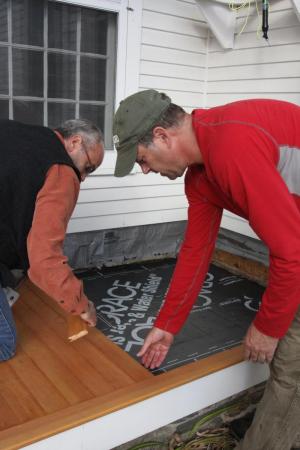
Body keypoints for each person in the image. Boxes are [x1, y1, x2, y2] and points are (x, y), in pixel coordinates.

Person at [112, 89, 300, 450]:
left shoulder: (232, 146)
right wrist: (167, 325)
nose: (146, 170)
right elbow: (196, 252)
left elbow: (291, 254)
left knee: (290, 360)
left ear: (162, 137)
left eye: (142, 159)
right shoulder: (200, 177)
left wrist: (267, 326)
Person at [0, 118, 104, 362]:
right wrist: (81, 306)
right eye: (88, 167)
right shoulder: (62, 169)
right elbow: (44, 259)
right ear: (75, 142)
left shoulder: (18, 131)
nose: (84, 178)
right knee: (5, 345)